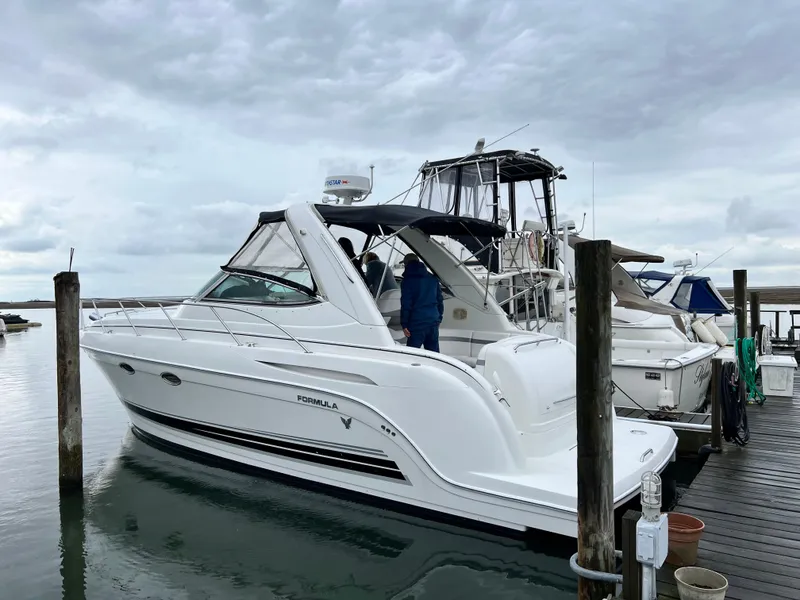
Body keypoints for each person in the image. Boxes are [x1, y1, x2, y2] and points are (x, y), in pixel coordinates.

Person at [400, 253, 444, 352]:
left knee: (412, 355)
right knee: (434, 356)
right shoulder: (433, 278)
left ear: (406, 264)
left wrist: (404, 324)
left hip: (416, 323)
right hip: (433, 321)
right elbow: (440, 300)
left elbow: (406, 304)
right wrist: (439, 317)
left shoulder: (407, 281)